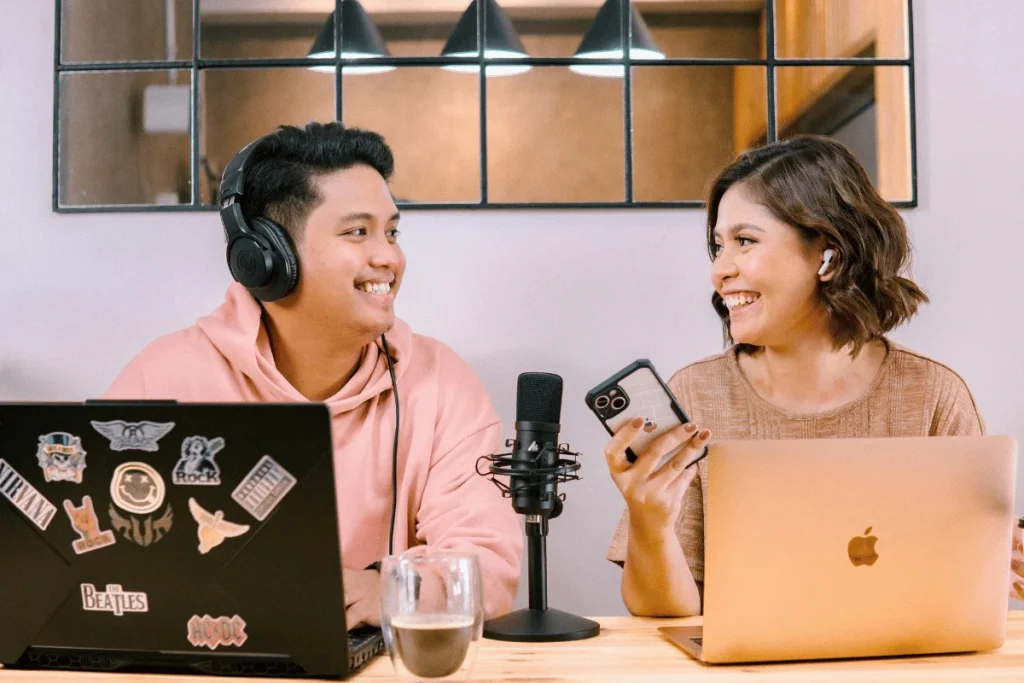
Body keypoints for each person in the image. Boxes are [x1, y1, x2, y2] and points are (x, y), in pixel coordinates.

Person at [103, 122, 523, 627]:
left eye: (391, 232)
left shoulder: (441, 382)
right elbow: (107, 551)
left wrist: (388, 587)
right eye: (357, 232)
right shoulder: (166, 375)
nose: (388, 257)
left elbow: (490, 568)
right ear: (267, 259)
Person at [602, 134, 1022, 617]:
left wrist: (997, 564)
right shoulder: (697, 394)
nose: (720, 271)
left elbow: (968, 589)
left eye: (745, 241)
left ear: (829, 255)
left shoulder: (932, 395)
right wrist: (649, 520)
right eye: (718, 246)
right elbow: (662, 615)